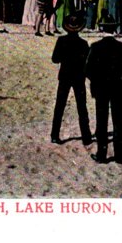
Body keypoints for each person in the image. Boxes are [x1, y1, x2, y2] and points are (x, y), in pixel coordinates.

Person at [85, 15, 122, 164]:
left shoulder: (95, 47)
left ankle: (102, 153)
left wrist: (96, 81)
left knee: (101, 120)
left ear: (102, 28)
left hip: (101, 88)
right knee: (118, 121)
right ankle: (120, 154)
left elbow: (88, 70)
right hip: (118, 87)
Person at [50, 14, 93, 145]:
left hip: (65, 75)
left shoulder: (61, 41)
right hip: (79, 77)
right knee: (81, 106)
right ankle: (86, 136)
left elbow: (55, 58)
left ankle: (55, 134)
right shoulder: (83, 43)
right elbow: (87, 62)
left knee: (60, 106)